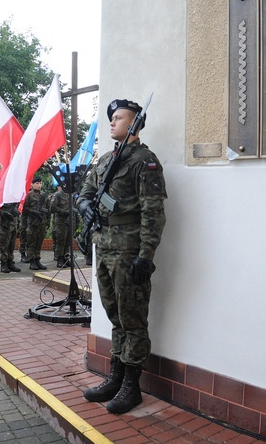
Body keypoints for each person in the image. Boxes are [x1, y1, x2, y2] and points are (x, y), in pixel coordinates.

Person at [78, 98, 167, 414]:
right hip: (104, 248)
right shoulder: (105, 160)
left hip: (129, 251)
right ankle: (114, 378)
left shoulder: (145, 162)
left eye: (118, 118)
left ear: (134, 124)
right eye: (111, 118)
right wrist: (86, 208)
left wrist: (146, 255)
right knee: (114, 315)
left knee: (132, 319)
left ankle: (132, 386)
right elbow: (85, 194)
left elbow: (153, 213)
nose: (112, 122)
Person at [24, 177, 49, 270]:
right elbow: (24, 209)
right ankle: (32, 261)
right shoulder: (29, 195)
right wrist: (34, 212)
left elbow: (48, 208)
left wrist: (47, 220)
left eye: (40, 183)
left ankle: (37, 259)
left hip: (42, 222)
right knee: (32, 242)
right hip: (32, 223)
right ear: (32, 184)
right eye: (37, 183)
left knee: (39, 242)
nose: (39, 185)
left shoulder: (44, 195)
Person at [50, 184, 73, 267]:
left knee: (68, 241)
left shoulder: (71, 195)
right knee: (61, 241)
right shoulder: (58, 195)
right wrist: (63, 211)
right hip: (60, 222)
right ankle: (59, 259)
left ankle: (66, 258)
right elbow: (52, 207)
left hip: (69, 222)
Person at [0, 202, 22, 273]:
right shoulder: (2, 195)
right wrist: (4, 214)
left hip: (13, 224)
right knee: (4, 245)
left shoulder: (15, 198)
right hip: (4, 224)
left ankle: (10, 262)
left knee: (11, 245)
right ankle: (3, 263)